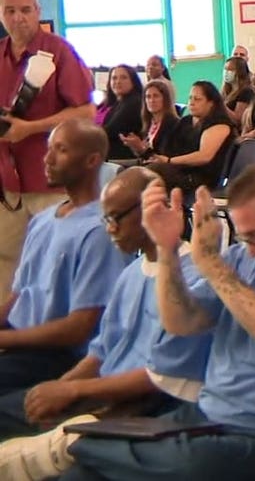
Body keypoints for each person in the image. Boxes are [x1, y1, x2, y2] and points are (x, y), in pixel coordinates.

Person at [61, 163, 255, 481]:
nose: (252, 251)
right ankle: (90, 450)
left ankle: (83, 446)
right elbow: (182, 322)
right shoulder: (240, 259)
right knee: (81, 476)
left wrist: (211, 264)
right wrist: (167, 250)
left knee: (188, 465)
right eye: (244, 238)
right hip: (204, 418)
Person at [0, 167, 211, 480]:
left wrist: (73, 391)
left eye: (116, 218)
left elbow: (160, 378)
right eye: (105, 218)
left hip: (140, 407)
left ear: (151, 210)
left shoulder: (191, 280)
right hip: (100, 392)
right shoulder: (132, 272)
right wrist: (60, 388)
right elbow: (101, 351)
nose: (110, 229)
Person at [0, 120, 131, 394]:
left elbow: (78, 328)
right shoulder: (43, 220)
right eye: (49, 148)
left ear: (92, 160)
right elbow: (19, 296)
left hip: (55, 357)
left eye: (61, 150)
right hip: (19, 343)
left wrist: (6, 339)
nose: (47, 159)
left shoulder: (100, 231)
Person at [0, 0, 96, 302]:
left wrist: (30, 128)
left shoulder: (59, 51)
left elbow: (86, 112)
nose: (18, 18)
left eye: (25, 10)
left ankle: (60, 329)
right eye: (10, 11)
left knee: (58, 264)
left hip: (52, 182)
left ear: (38, 11)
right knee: (5, 263)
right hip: (7, 186)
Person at [144, 81, 236, 195]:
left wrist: (169, 161)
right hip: (180, 170)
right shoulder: (186, 121)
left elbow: (204, 156)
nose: (191, 103)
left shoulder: (219, 125)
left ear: (211, 103)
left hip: (201, 178)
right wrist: (149, 154)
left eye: (197, 99)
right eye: (190, 98)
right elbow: (169, 147)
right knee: (143, 170)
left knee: (150, 173)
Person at [119, 79, 179, 163]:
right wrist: (135, 147)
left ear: (165, 99)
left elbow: (162, 158)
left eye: (156, 96)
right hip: (145, 164)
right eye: (148, 97)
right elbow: (145, 156)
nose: (152, 100)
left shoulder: (174, 124)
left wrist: (141, 148)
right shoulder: (148, 123)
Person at [96, 65, 143, 161]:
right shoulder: (116, 102)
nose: (118, 82)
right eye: (114, 78)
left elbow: (110, 131)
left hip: (122, 158)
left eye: (123, 78)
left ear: (133, 81)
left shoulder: (134, 102)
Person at [219, 56, 253, 127]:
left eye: (230, 70)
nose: (226, 73)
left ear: (240, 72)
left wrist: (220, 104)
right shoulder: (226, 90)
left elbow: (238, 120)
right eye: (225, 69)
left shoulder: (246, 91)